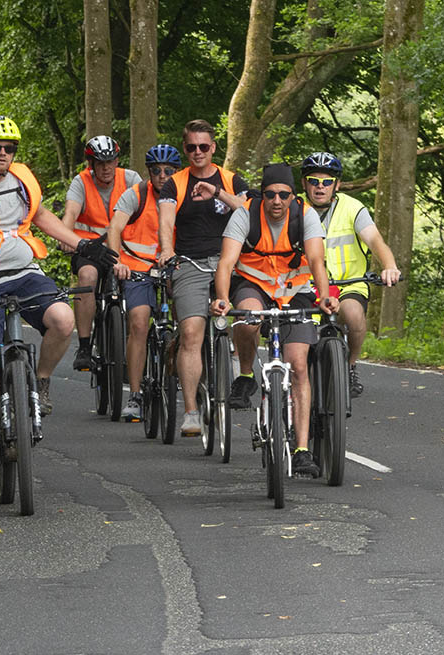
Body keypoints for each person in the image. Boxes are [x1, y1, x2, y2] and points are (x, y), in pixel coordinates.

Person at [0, 115, 117, 485]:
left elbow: (42, 216)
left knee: (63, 319)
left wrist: (81, 244)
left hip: (24, 274)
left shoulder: (20, 177)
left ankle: (42, 381)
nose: (3, 154)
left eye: (9, 148)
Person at [209, 163, 338, 478]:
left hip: (295, 291)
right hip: (253, 285)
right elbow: (226, 263)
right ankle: (245, 375)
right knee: (248, 320)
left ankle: (302, 449)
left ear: (293, 196)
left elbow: (317, 261)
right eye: (270, 194)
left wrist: (323, 296)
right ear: (261, 195)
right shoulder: (245, 215)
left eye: (284, 194)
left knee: (298, 365)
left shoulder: (305, 215)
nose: (277, 201)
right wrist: (223, 298)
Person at [158, 119, 249, 435]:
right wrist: (167, 250)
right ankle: (192, 412)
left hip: (231, 262)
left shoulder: (231, 179)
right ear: (185, 149)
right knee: (192, 333)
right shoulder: (175, 183)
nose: (197, 152)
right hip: (191, 263)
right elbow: (166, 222)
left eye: (204, 147)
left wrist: (218, 193)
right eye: (191, 147)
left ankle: (239, 367)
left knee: (248, 316)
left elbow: (250, 210)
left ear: (213, 148)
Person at [299, 151, 401, 397]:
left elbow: (376, 242)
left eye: (326, 182)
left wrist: (389, 265)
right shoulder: (294, 206)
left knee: (354, 316)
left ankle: (351, 365)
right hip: (305, 286)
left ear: (337, 184)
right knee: (300, 342)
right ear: (304, 184)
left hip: (349, 284)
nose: (320, 187)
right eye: (313, 181)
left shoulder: (353, 208)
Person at [106, 144, 181, 422]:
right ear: (149, 172)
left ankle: (187, 371)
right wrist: (117, 262)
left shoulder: (183, 194)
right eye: (156, 171)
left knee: (189, 318)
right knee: (138, 322)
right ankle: (135, 394)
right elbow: (114, 227)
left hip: (172, 266)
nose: (162, 176)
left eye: (169, 171)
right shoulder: (136, 194)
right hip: (136, 267)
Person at [63, 135, 141, 371]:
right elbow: (70, 214)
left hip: (126, 248)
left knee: (138, 286)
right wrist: (65, 236)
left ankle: (132, 348)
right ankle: (85, 346)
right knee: (87, 277)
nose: (106, 168)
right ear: (91, 164)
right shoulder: (81, 182)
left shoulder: (130, 179)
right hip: (90, 248)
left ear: (117, 161)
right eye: (100, 163)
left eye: (111, 161)